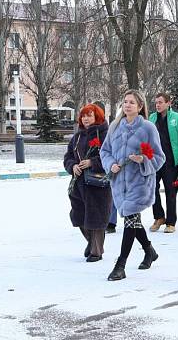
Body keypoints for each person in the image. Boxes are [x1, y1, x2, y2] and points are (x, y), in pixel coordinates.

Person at [100, 90, 166, 281]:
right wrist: (110, 164)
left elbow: (159, 157)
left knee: (130, 218)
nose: (127, 105)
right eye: (125, 101)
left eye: (132, 102)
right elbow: (105, 151)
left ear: (140, 106)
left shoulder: (148, 128)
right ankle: (149, 251)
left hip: (140, 182)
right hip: (119, 182)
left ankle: (120, 265)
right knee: (132, 219)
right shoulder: (115, 127)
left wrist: (143, 159)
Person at [64, 104, 111, 262]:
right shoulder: (77, 136)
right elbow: (68, 156)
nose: (85, 119)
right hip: (79, 183)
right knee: (78, 215)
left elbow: (110, 156)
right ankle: (91, 243)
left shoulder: (105, 134)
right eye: (83, 115)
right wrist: (73, 166)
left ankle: (96, 251)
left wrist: (92, 162)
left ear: (97, 116)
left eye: (89, 115)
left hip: (97, 183)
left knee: (96, 217)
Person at [148, 92, 178, 234]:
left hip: (171, 160)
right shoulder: (152, 118)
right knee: (152, 189)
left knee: (170, 191)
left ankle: (171, 222)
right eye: (156, 102)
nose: (158, 105)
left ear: (168, 103)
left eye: (161, 102)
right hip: (154, 160)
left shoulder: (177, 118)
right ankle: (159, 217)